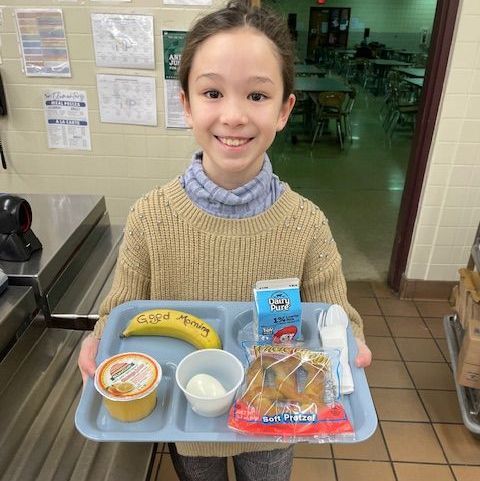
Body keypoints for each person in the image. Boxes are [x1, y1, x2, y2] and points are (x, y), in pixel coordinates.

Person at [78, 1, 372, 480]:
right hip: (189, 415)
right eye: (213, 92)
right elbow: (123, 308)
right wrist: (98, 339)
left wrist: (352, 341)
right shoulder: (151, 217)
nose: (233, 116)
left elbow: (335, 313)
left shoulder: (307, 224)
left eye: (257, 96)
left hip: (275, 414)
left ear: (284, 110)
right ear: (187, 104)